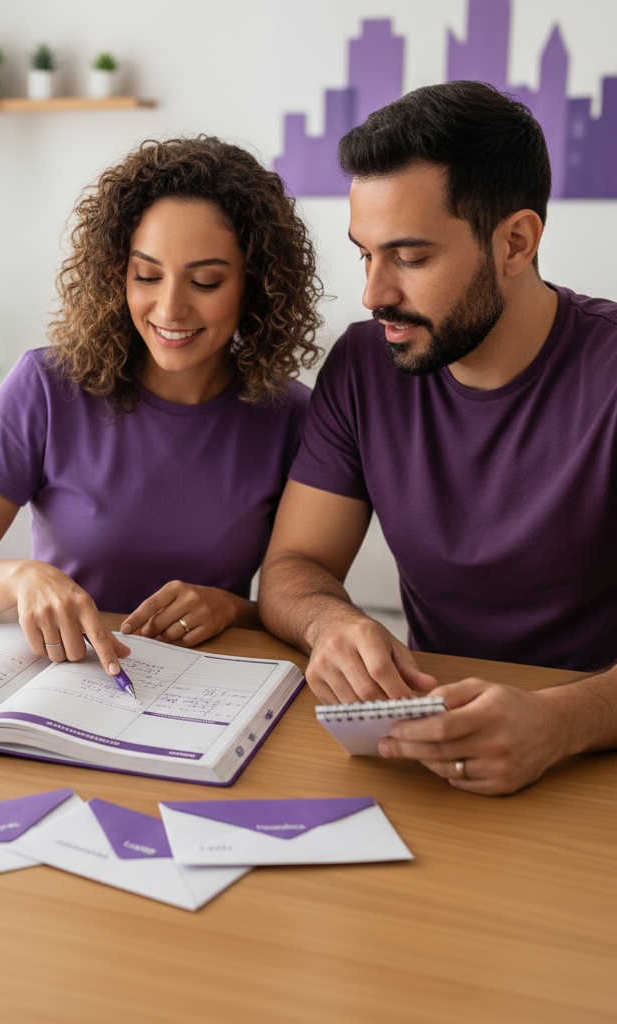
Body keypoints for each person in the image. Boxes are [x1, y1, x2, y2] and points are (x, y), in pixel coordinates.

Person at [259, 81, 617, 795]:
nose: (373, 294)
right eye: (366, 254)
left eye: (410, 258)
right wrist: (331, 625)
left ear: (515, 242)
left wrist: (561, 723)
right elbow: (292, 567)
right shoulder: (364, 366)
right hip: (432, 751)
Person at [0, 136, 322, 679]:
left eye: (206, 281)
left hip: (208, 688)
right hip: (66, 679)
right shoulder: (48, 387)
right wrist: (21, 578)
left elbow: (293, 596)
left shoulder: (291, 416)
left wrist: (231, 608)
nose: (169, 308)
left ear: (256, 285)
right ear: (116, 274)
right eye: (146, 275)